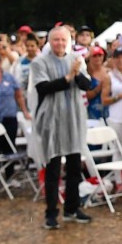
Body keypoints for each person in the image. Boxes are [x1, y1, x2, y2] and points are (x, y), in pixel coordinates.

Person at [30, 25, 94, 229]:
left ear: (69, 41)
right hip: (52, 119)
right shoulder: (40, 61)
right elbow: (43, 87)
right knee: (53, 168)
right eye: (56, 40)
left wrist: (75, 74)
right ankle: (51, 213)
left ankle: (72, 208)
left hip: (73, 118)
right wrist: (67, 78)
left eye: (63, 40)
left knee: (75, 165)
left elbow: (86, 84)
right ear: (50, 41)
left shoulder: (75, 59)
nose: (59, 43)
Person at [0, 52, 29, 178]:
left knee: (9, 146)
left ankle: (10, 175)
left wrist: (24, 111)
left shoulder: (9, 77)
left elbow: (18, 95)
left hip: (9, 116)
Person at [84, 46, 108, 121]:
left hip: (108, 108)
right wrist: (99, 87)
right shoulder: (87, 74)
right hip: (93, 109)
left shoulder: (109, 71)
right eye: (94, 56)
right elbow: (86, 95)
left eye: (100, 55)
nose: (97, 58)